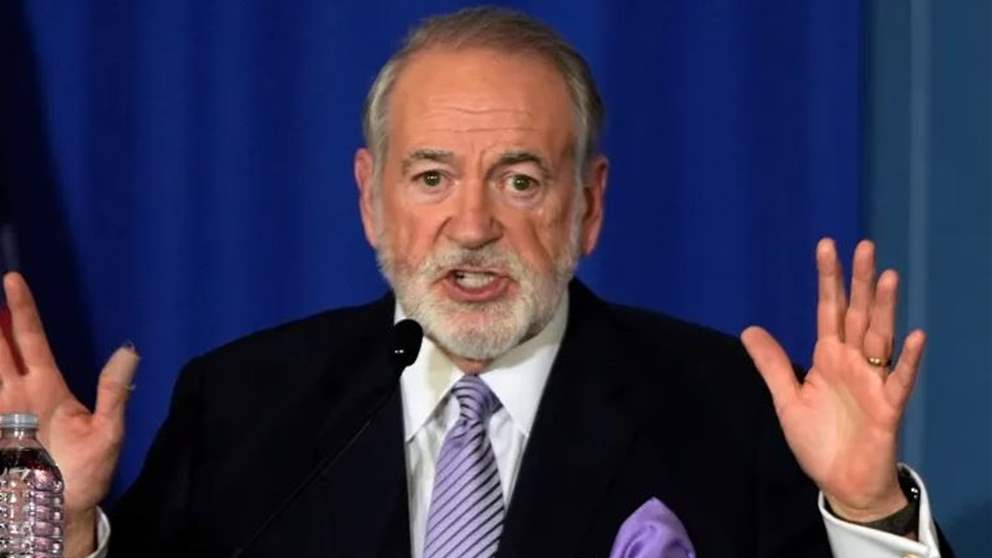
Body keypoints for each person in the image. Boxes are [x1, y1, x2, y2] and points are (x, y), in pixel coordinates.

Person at [0, 7, 953, 558]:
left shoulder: (731, 409)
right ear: (371, 199)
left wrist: (867, 512)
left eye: (520, 180)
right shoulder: (243, 405)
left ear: (590, 204)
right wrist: (59, 525)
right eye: (431, 177)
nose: (471, 226)